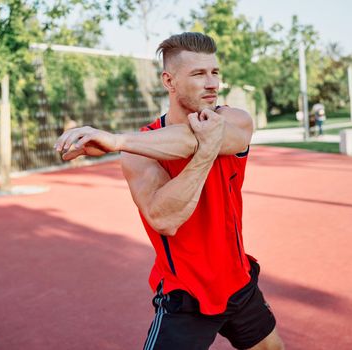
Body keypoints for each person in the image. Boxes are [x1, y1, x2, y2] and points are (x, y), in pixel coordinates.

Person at [54, 32, 284, 350]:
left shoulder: (234, 120)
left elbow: (195, 138)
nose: (212, 83)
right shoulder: (138, 152)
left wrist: (116, 140)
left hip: (238, 281)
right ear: (169, 81)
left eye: (215, 72)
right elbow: (165, 219)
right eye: (198, 74)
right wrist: (204, 154)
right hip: (185, 295)